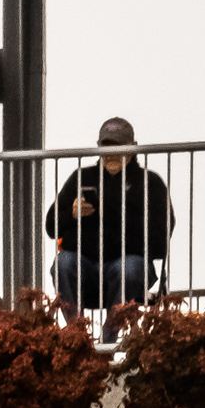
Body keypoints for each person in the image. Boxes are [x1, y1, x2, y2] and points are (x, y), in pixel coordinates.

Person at [47, 117, 173, 322]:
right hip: (86, 267)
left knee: (128, 267)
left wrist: (113, 210)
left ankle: (109, 335)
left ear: (133, 147)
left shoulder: (150, 182)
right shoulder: (82, 177)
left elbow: (161, 240)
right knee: (64, 262)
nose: (111, 154)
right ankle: (76, 333)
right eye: (106, 147)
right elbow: (50, 226)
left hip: (129, 264)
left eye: (118, 147)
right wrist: (71, 213)